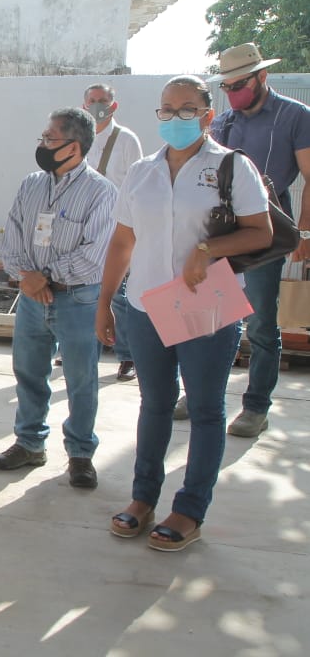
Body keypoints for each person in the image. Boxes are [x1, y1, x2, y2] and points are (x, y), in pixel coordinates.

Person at [98, 75, 271, 551]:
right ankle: (142, 498)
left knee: (204, 410)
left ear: (207, 114)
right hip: (146, 305)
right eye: (167, 110)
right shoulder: (143, 171)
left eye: (186, 109)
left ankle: (189, 510)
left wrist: (208, 248)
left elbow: (261, 232)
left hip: (205, 303)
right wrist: (105, 303)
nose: (175, 118)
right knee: (153, 405)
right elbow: (122, 241)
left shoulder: (233, 167)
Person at [176, 43, 310, 438]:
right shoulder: (224, 122)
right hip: (219, 228)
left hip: (265, 228)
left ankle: (256, 406)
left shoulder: (295, 116)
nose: (233, 92)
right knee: (206, 315)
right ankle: (198, 392)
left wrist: (304, 232)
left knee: (262, 322)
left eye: (240, 84)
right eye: (228, 86)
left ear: (261, 77)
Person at [0, 107, 117, 489]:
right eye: (43, 139)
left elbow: (94, 252)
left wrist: (44, 277)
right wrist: (24, 278)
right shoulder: (31, 184)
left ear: (73, 146)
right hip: (32, 298)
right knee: (29, 372)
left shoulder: (101, 192)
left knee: (80, 379)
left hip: (78, 298)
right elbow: (12, 233)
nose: (43, 145)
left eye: (49, 139)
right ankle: (29, 443)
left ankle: (80, 454)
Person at [83, 84, 144, 382]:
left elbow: (137, 186)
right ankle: (85, 351)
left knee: (119, 294)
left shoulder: (126, 140)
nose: (97, 106)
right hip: (86, 228)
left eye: (102, 101)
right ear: (84, 105)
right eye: (92, 101)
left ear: (113, 105)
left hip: (118, 228)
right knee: (86, 292)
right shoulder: (79, 138)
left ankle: (127, 356)